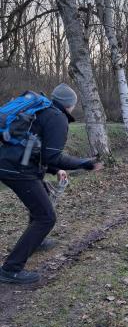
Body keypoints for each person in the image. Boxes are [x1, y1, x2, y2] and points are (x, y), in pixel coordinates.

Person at [0, 83, 103, 285]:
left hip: (10, 163)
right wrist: (85, 164)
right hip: (18, 169)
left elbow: (37, 150)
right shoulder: (57, 118)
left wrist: (56, 170)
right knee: (46, 217)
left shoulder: (43, 110)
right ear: (69, 105)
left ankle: (35, 242)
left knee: (42, 197)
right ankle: (10, 269)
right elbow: (53, 156)